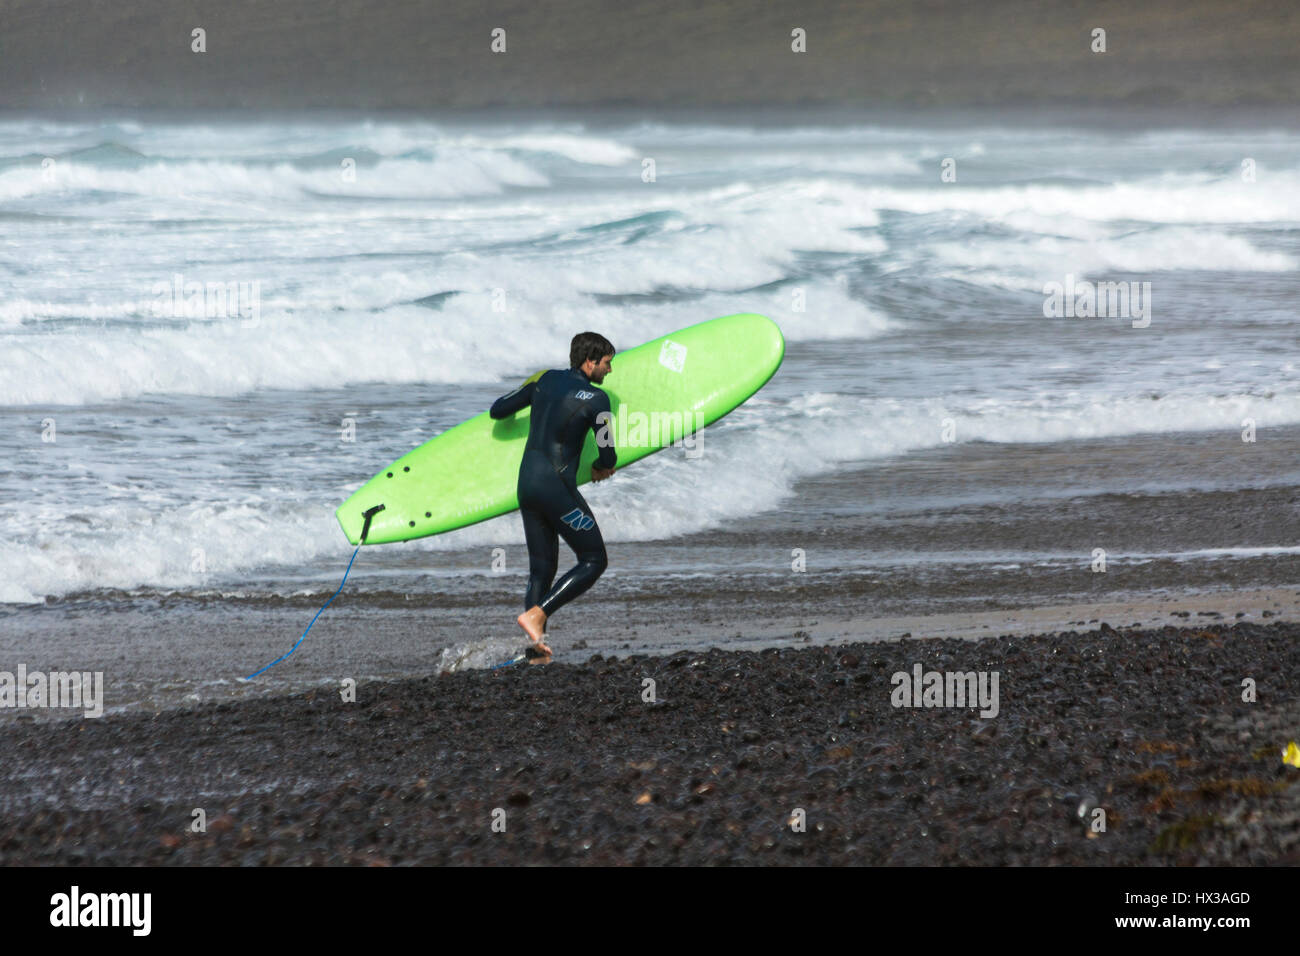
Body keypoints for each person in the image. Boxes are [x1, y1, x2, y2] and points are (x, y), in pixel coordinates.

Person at [489, 332, 617, 659]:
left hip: (527, 485)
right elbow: (608, 453)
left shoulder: (543, 380)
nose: (609, 371)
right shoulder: (597, 399)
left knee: (540, 570)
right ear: (590, 361)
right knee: (594, 560)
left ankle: (536, 647)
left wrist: (532, 389)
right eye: (606, 363)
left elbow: (498, 409)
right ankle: (536, 615)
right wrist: (603, 467)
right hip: (556, 488)